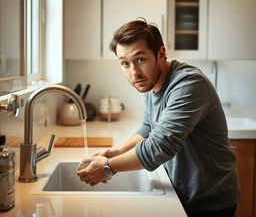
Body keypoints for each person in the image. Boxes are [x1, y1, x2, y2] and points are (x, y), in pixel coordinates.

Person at [76, 19, 240, 216]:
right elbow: (148, 127)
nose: (134, 72)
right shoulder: (150, 82)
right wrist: (119, 151)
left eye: (140, 59)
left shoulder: (189, 84)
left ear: (161, 54)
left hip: (210, 202)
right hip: (182, 193)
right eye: (125, 64)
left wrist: (108, 168)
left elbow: (160, 146)